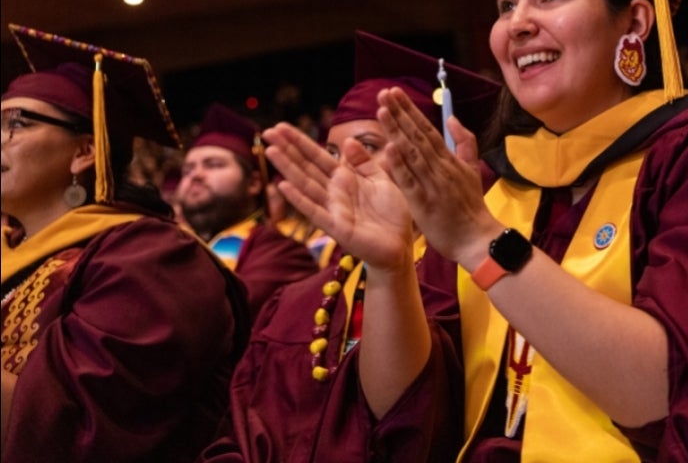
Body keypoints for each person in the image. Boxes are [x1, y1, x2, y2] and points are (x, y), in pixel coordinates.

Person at [262, 0, 688, 460]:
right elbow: (406, 419)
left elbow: (670, 394)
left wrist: (484, 244)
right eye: (507, 5)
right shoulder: (489, 182)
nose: (517, 24)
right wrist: (389, 274)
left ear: (636, 21)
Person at [200, 31, 501, 462]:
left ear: (441, 157)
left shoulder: (481, 281)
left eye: (368, 148)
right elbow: (236, 435)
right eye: (331, 153)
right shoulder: (293, 304)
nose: (343, 170)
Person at [1, 26, 249, 462]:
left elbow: (80, 427)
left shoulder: (153, 259)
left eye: (15, 125)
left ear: (84, 152)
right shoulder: (12, 251)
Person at [177, 103, 317, 320]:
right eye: (187, 169)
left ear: (253, 183)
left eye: (213, 165)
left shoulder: (283, 253)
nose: (195, 175)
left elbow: (209, 320)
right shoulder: (175, 243)